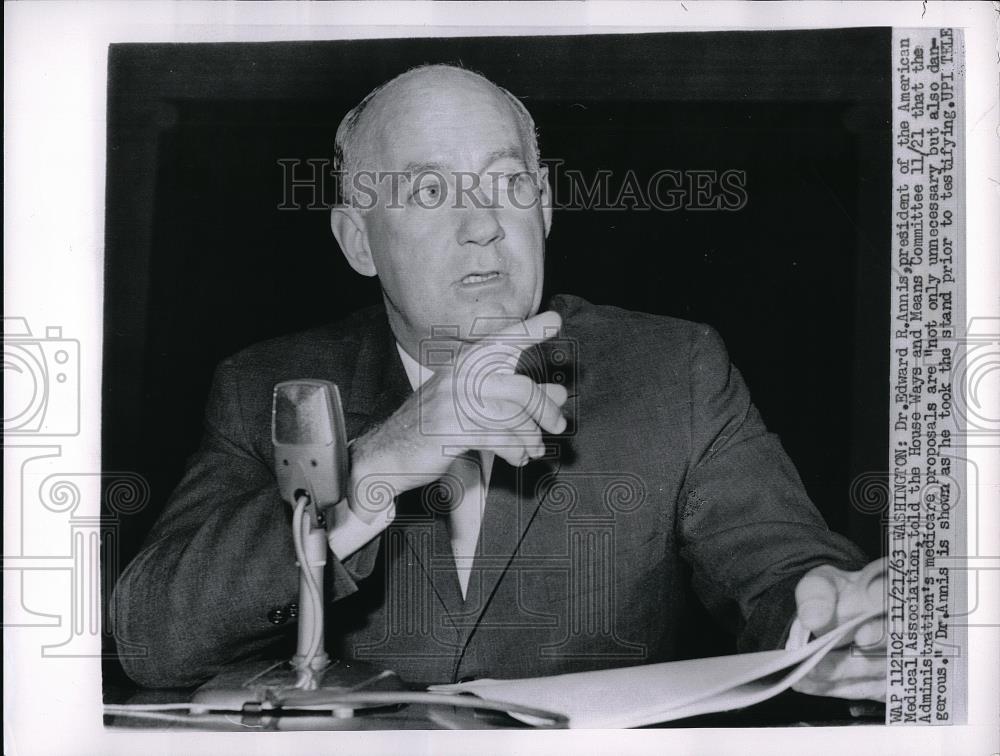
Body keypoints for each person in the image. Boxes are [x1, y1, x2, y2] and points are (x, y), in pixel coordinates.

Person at [112, 64, 886, 700]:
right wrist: (381, 460)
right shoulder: (269, 388)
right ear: (358, 241)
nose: (483, 222)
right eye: (427, 191)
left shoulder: (675, 371)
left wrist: (823, 614)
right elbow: (152, 637)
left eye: (507, 184)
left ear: (543, 209)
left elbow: (782, 570)